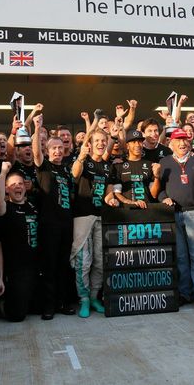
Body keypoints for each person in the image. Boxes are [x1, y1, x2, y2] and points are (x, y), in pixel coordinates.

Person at [158, 129, 194, 310]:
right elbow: (158, 189)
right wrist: (162, 198)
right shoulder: (164, 162)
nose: (182, 144)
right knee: (181, 257)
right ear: (171, 144)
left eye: (185, 140)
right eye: (178, 140)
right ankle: (184, 293)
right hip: (174, 213)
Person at [33, 111, 76, 319]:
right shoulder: (44, 167)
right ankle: (48, 306)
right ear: (47, 150)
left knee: (63, 266)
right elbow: (36, 153)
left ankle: (63, 303)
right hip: (49, 225)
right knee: (48, 267)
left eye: (61, 147)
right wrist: (36, 128)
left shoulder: (67, 170)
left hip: (67, 225)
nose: (58, 150)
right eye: (54, 148)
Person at [70, 129, 117, 317]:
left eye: (102, 140)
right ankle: (84, 299)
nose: (100, 143)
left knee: (100, 260)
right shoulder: (82, 160)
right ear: (90, 143)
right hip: (82, 217)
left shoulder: (108, 166)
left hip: (101, 217)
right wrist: (81, 157)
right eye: (96, 140)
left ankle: (94, 296)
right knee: (83, 261)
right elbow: (74, 174)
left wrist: (111, 199)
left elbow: (109, 192)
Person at [0, 165, 40, 322]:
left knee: (40, 308)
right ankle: (1, 303)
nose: (17, 187)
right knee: (17, 316)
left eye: (20, 183)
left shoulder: (33, 207)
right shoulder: (7, 208)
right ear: (7, 189)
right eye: (13, 185)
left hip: (34, 266)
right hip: (16, 270)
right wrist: (4, 173)